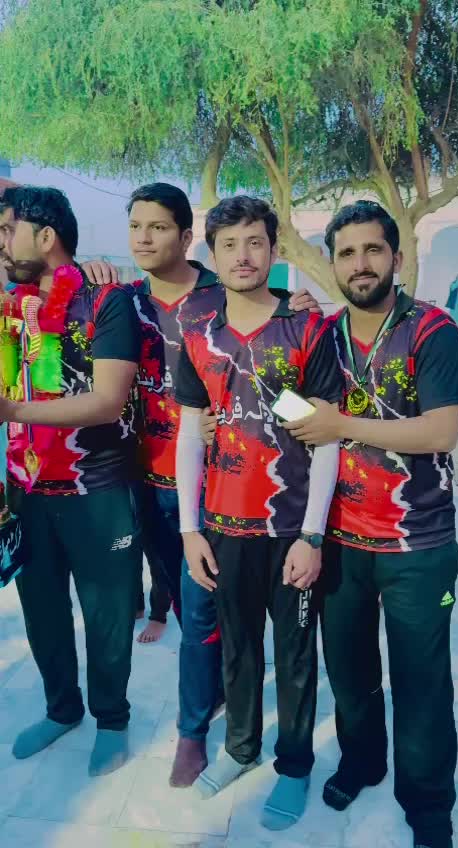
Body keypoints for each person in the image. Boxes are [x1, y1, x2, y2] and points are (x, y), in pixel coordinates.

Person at [88, 182, 321, 787]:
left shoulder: (233, 297)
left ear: (188, 238)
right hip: (153, 481)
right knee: (202, 614)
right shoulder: (121, 300)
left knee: (212, 618)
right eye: (135, 226)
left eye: (159, 226)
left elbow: (297, 404)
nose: (144, 238)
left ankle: (195, 732)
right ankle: (225, 723)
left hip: (239, 495)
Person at [283, 200, 458, 848]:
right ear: (332, 263)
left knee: (421, 682)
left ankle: (428, 805)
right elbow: (291, 408)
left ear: (394, 256)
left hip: (419, 543)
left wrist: (342, 424)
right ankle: (363, 762)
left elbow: (441, 431)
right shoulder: (321, 334)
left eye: (372, 250)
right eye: (346, 253)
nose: (359, 264)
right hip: (340, 540)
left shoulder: (432, 329)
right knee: (351, 674)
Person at [175, 195, 343, 830]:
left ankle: (294, 765)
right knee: (238, 649)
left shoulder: (305, 329)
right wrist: (190, 529)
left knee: (295, 655)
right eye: (229, 245)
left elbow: (323, 437)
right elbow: (191, 435)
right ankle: (240, 748)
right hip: (224, 527)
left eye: (255, 242)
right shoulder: (199, 335)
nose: (243, 256)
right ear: (213, 254)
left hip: (290, 530)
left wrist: (312, 535)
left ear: (273, 250)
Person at [0, 186, 142, 777]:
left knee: (107, 614)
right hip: (26, 490)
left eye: (6, 231)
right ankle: (62, 709)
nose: (1, 244)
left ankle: (112, 719)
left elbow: (108, 401)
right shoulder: (10, 309)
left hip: (97, 490)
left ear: (45, 235)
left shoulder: (106, 301)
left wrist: (12, 411)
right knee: (42, 613)